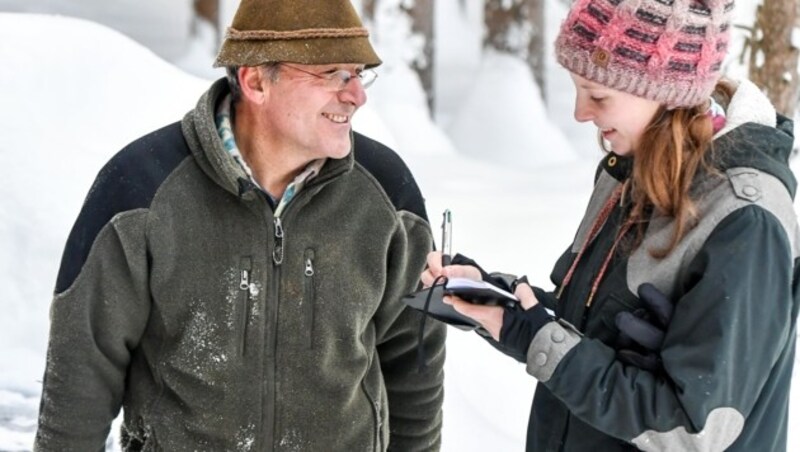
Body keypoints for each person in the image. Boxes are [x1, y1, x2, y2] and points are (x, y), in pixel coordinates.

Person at [34, 0, 446, 450]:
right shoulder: (141, 191)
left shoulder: (386, 196)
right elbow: (80, 378)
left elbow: (415, 366)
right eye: (331, 74)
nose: (356, 94)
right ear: (255, 81)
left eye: (357, 73)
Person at [422, 0, 799, 450]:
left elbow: (692, 431)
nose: (580, 113)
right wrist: (501, 303)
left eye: (598, 95)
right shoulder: (627, 170)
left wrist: (546, 342)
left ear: (666, 93)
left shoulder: (745, 221)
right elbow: (587, 327)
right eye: (577, 89)